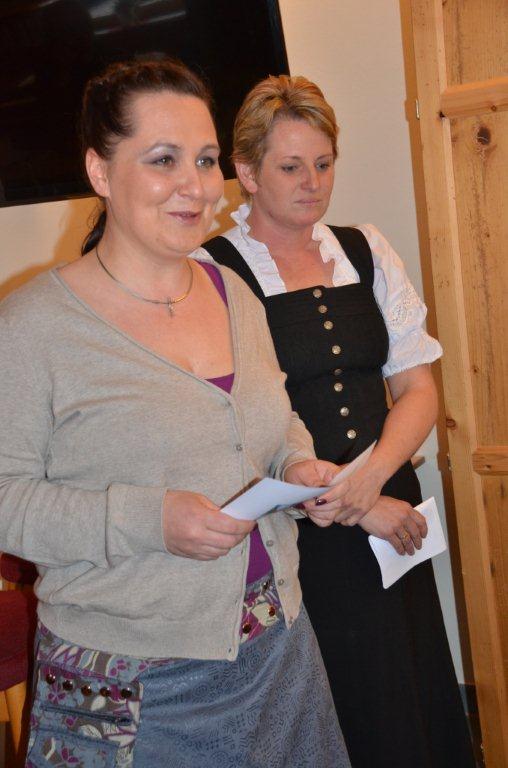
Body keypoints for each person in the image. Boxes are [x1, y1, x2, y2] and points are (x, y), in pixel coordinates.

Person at [0, 61, 353, 767]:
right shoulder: (33, 326)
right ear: (100, 171)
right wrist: (147, 519)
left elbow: (276, 419)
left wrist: (297, 466)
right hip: (127, 688)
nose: (196, 185)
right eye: (163, 160)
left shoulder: (234, 295)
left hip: (277, 652)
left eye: (206, 159)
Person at [202, 74, 476, 768]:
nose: (313, 183)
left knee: (412, 687)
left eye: (324, 164)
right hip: (299, 527)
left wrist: (375, 481)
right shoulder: (215, 271)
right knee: (345, 704)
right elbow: (238, 424)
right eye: (291, 167)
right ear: (246, 172)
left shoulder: (364, 249)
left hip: (393, 511)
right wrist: (353, 504)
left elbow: (418, 387)